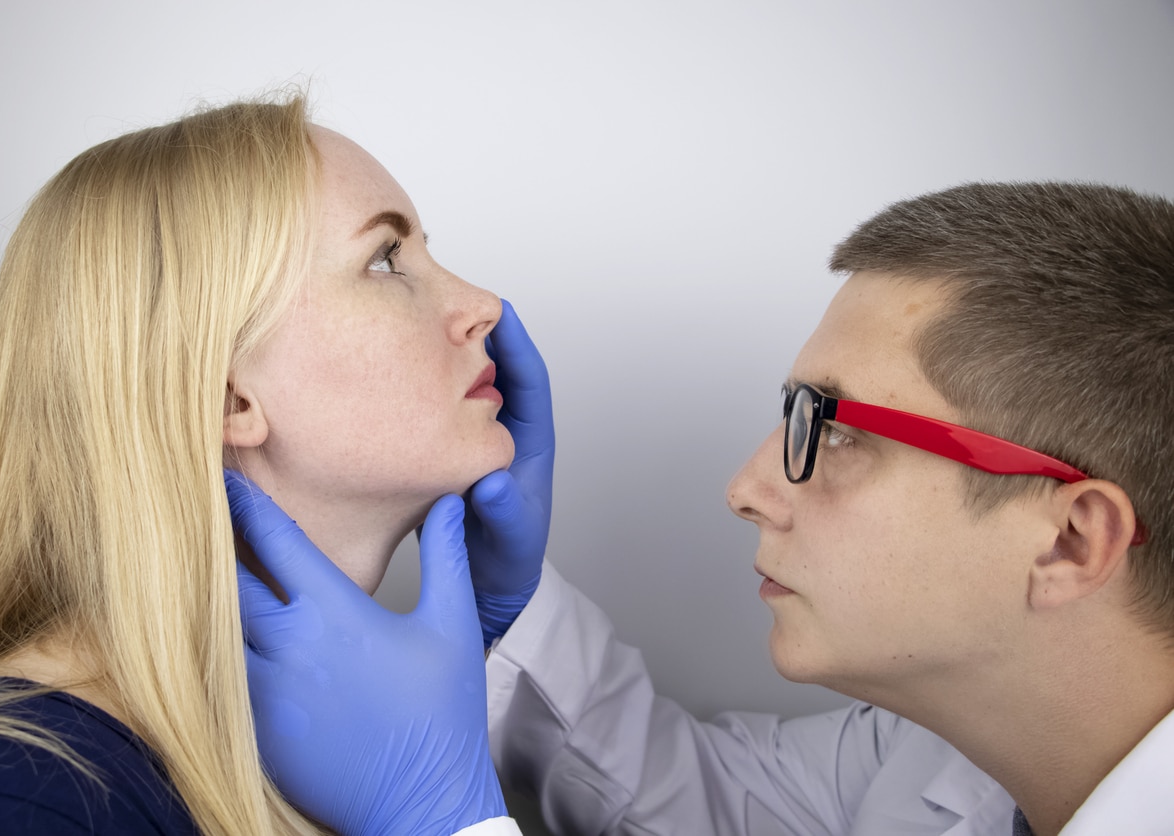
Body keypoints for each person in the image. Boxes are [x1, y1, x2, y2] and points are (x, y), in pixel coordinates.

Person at [234, 181, 1174, 834]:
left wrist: (447, 824)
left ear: (1070, 539)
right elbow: (692, 803)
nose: (746, 490)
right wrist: (511, 612)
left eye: (835, 431)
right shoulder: (941, 765)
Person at [0, 92, 545, 835]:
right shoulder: (4, 800)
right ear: (223, 394)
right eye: (385, 258)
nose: (484, 305)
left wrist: (477, 643)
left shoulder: (297, 755)